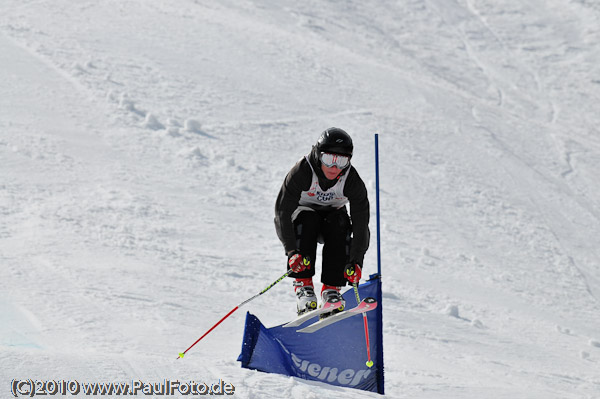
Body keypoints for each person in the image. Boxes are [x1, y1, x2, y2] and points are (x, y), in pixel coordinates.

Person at [274, 127, 370, 316]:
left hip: (332, 219)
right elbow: (282, 213)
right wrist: (292, 251)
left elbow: (361, 223)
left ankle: (331, 290)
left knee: (339, 223)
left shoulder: (351, 180)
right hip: (304, 217)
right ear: (318, 155)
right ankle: (304, 286)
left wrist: (356, 261)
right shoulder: (302, 172)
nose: (334, 167)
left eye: (341, 161)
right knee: (308, 219)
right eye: (329, 159)